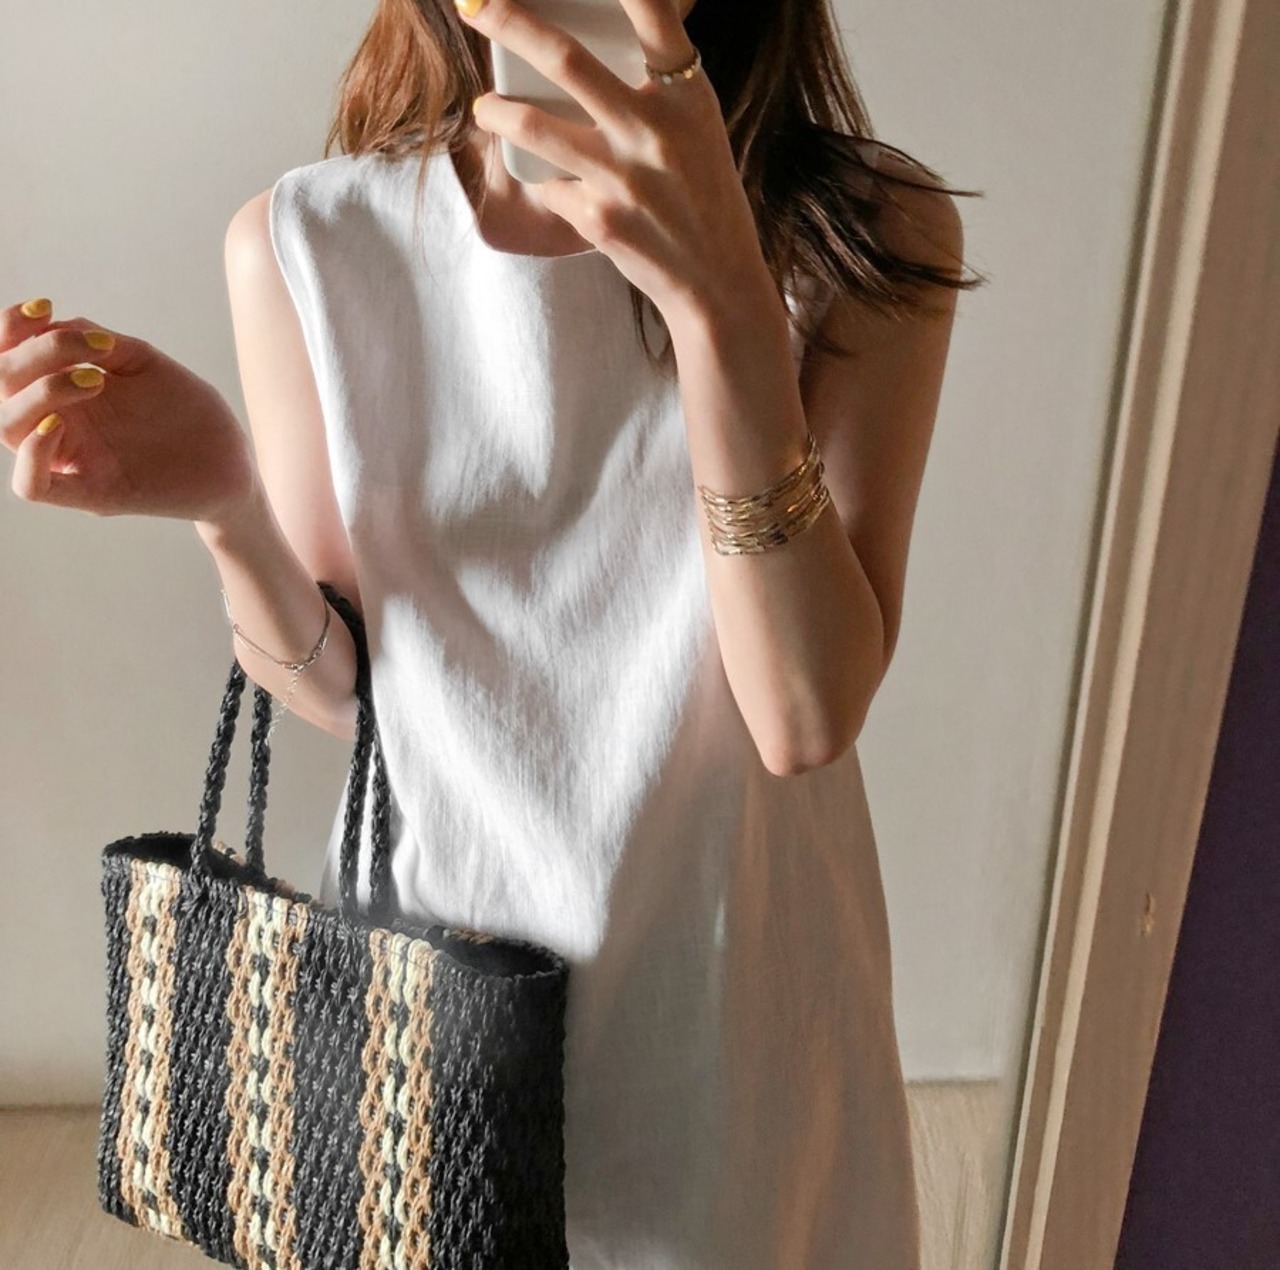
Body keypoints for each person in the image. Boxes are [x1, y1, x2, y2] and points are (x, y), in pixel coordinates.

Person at [5, 0, 980, 1264]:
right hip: (426, 1025)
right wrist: (226, 507)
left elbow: (801, 712)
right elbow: (352, 698)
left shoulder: (861, 233)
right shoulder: (308, 240)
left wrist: (723, 302)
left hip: (735, 1018)